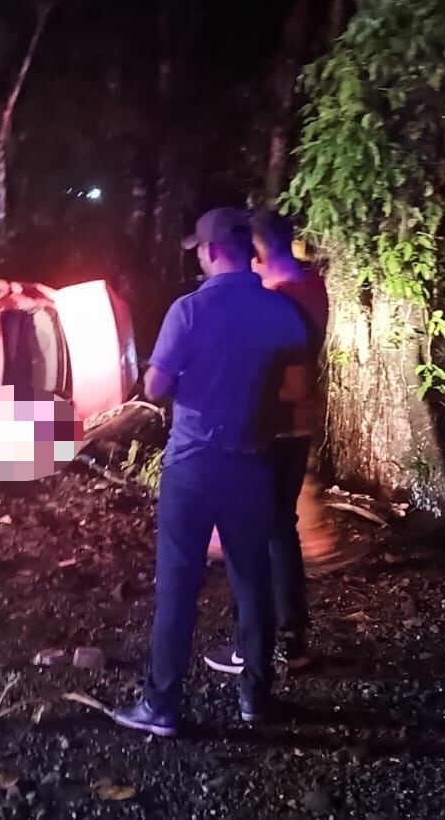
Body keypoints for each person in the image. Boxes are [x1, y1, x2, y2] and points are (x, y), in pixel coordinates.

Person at [111, 208, 311, 737]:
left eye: (199, 248)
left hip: (193, 465)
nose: (197, 256)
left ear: (215, 250)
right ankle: (255, 698)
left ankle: (161, 705)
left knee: (178, 584)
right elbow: (298, 378)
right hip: (252, 463)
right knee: (253, 581)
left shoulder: (188, 311)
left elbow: (154, 388)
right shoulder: (281, 312)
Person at [203, 209, 329, 677]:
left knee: (252, 535)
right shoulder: (312, 287)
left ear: (255, 252)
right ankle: (292, 641)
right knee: (280, 530)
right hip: (296, 426)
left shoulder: (275, 301)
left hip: (265, 427)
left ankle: (251, 647)